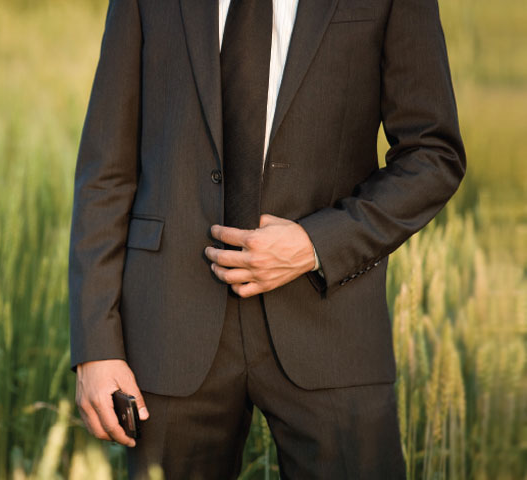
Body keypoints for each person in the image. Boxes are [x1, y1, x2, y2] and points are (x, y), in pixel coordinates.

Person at [68, 0, 466, 477]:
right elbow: (105, 171)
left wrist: (316, 245)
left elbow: (432, 155)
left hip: (330, 324)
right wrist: (96, 344)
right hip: (171, 325)